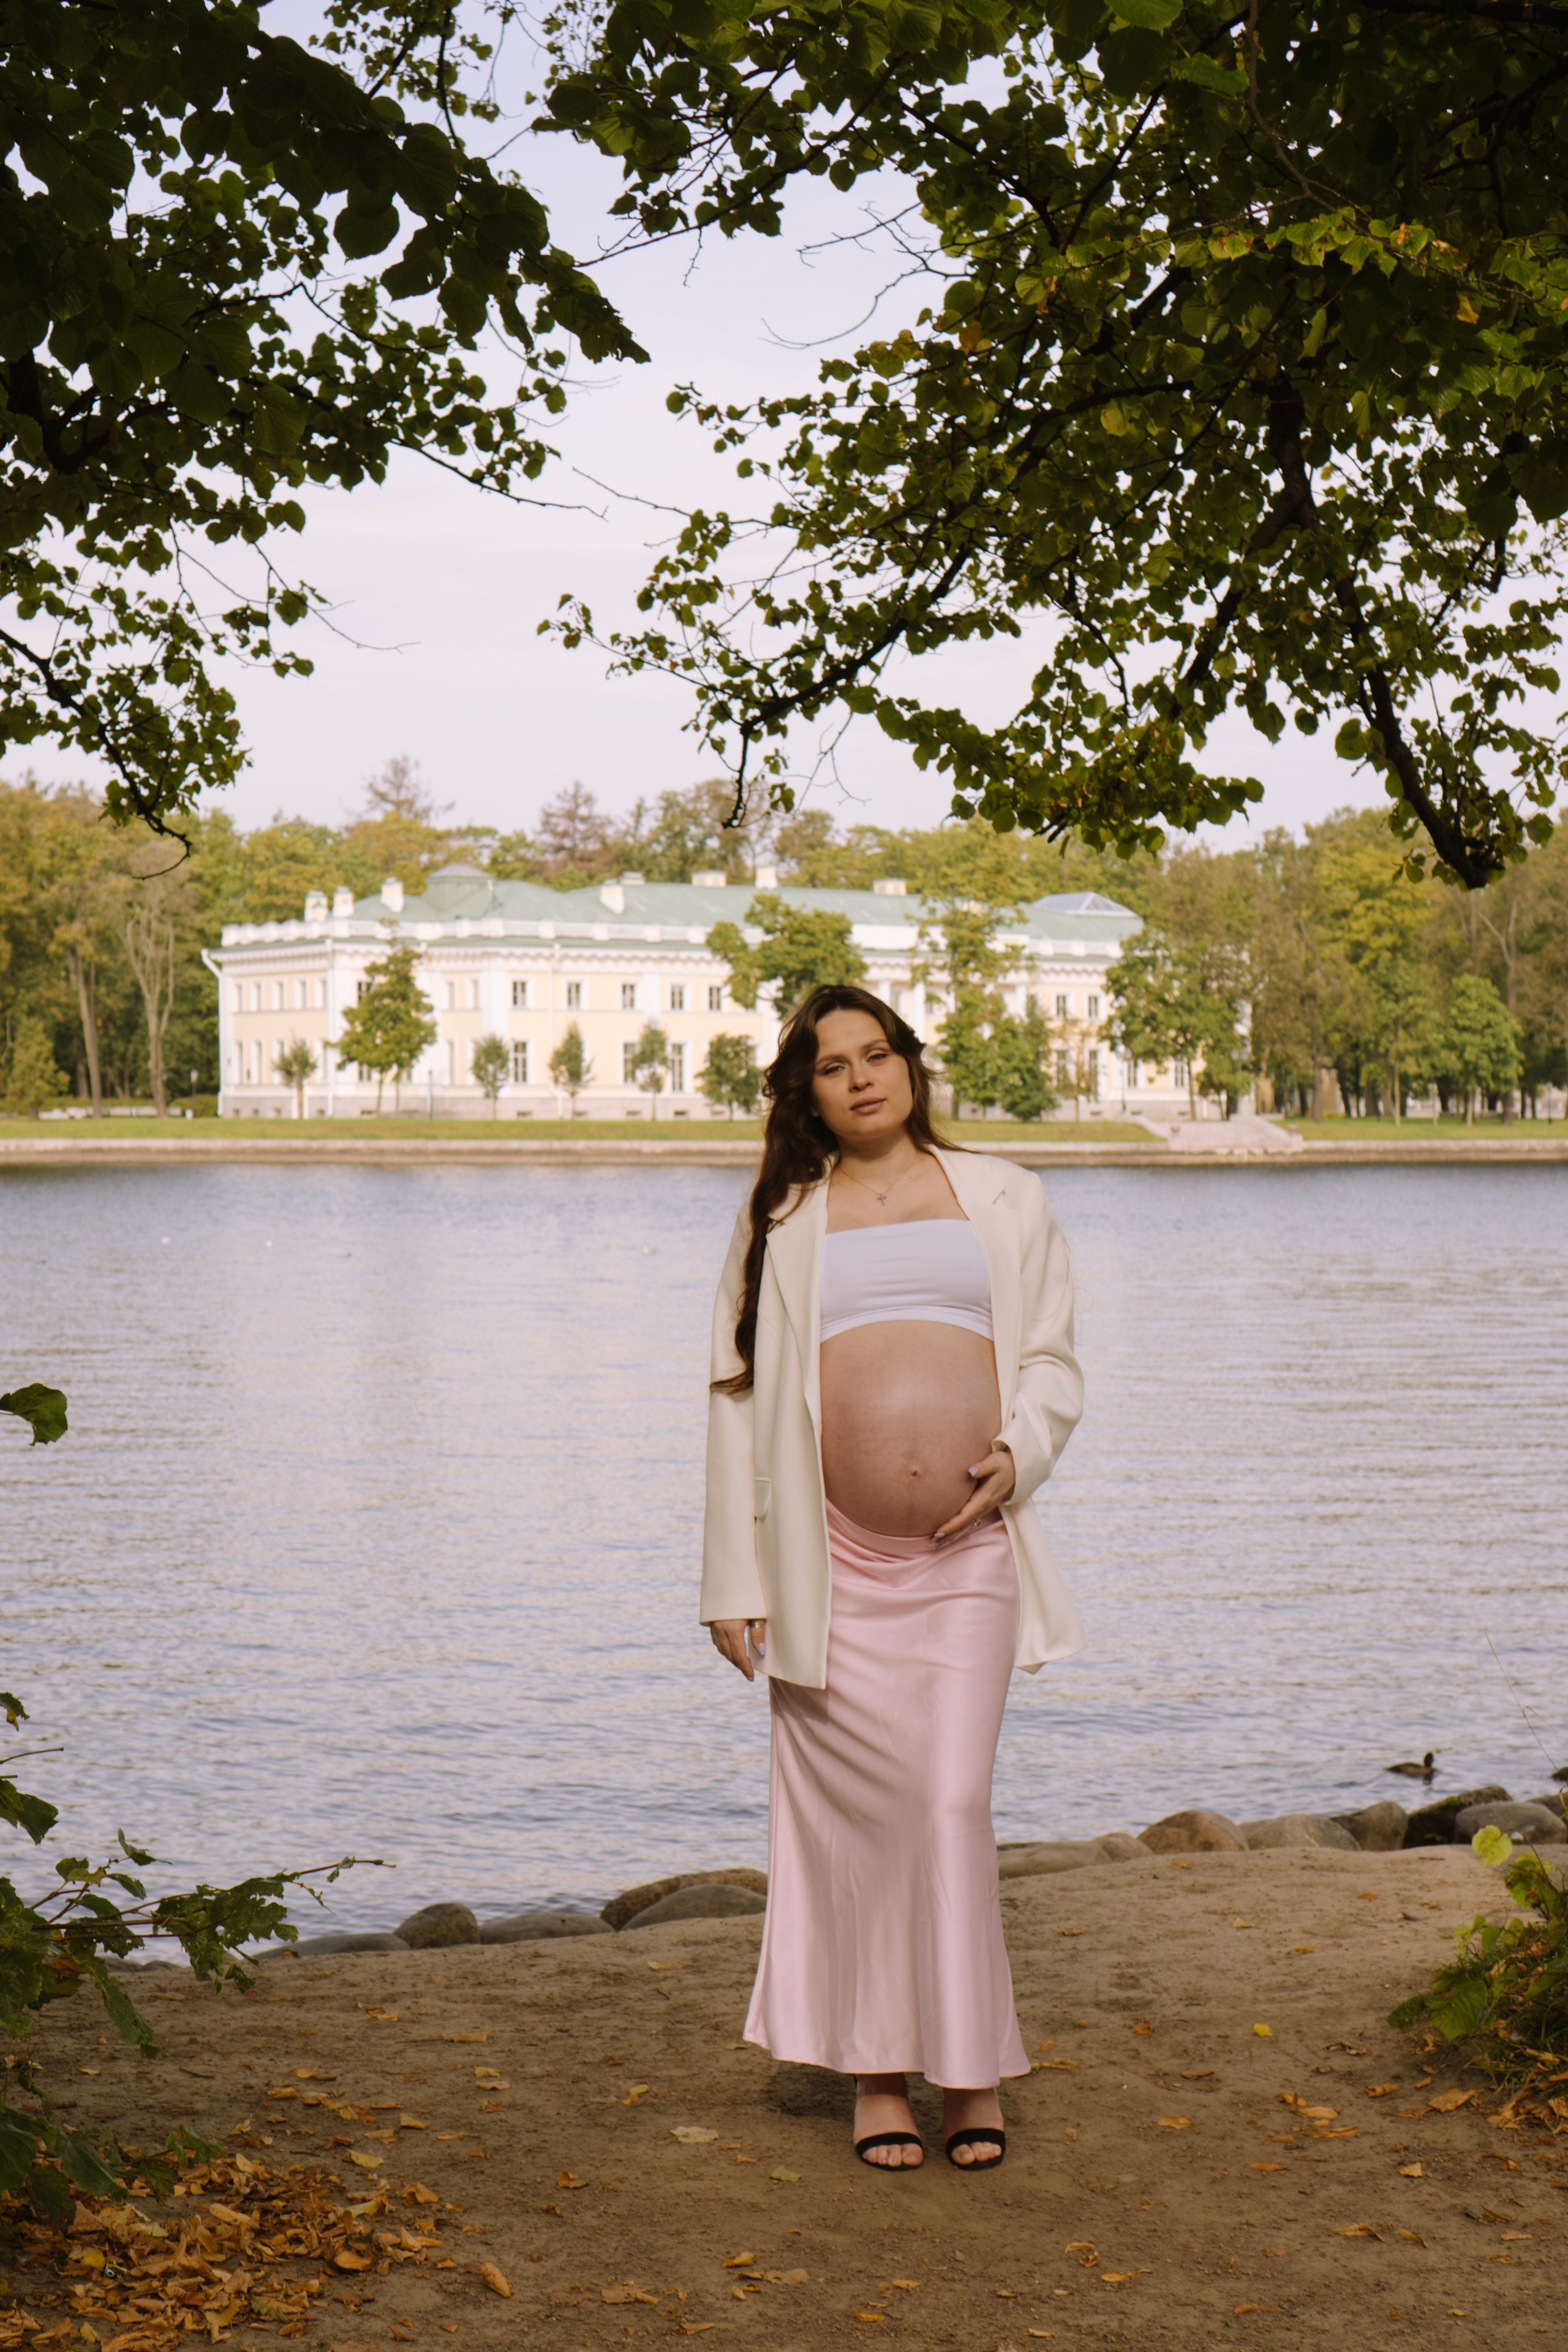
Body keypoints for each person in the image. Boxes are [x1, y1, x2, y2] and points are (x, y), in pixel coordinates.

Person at [702, 983, 1084, 2173]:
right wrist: (733, 1575)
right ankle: (878, 2073)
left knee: (948, 1802)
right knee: (859, 1824)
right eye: (832, 1066)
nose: (861, 1079)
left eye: (878, 1056)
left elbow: (1050, 1363)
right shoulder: (781, 1215)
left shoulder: (1004, 1198)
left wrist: (1018, 1455)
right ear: (803, 1091)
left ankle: (968, 2070)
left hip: (961, 1554)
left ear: (910, 1066)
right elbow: (733, 1395)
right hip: (830, 1564)